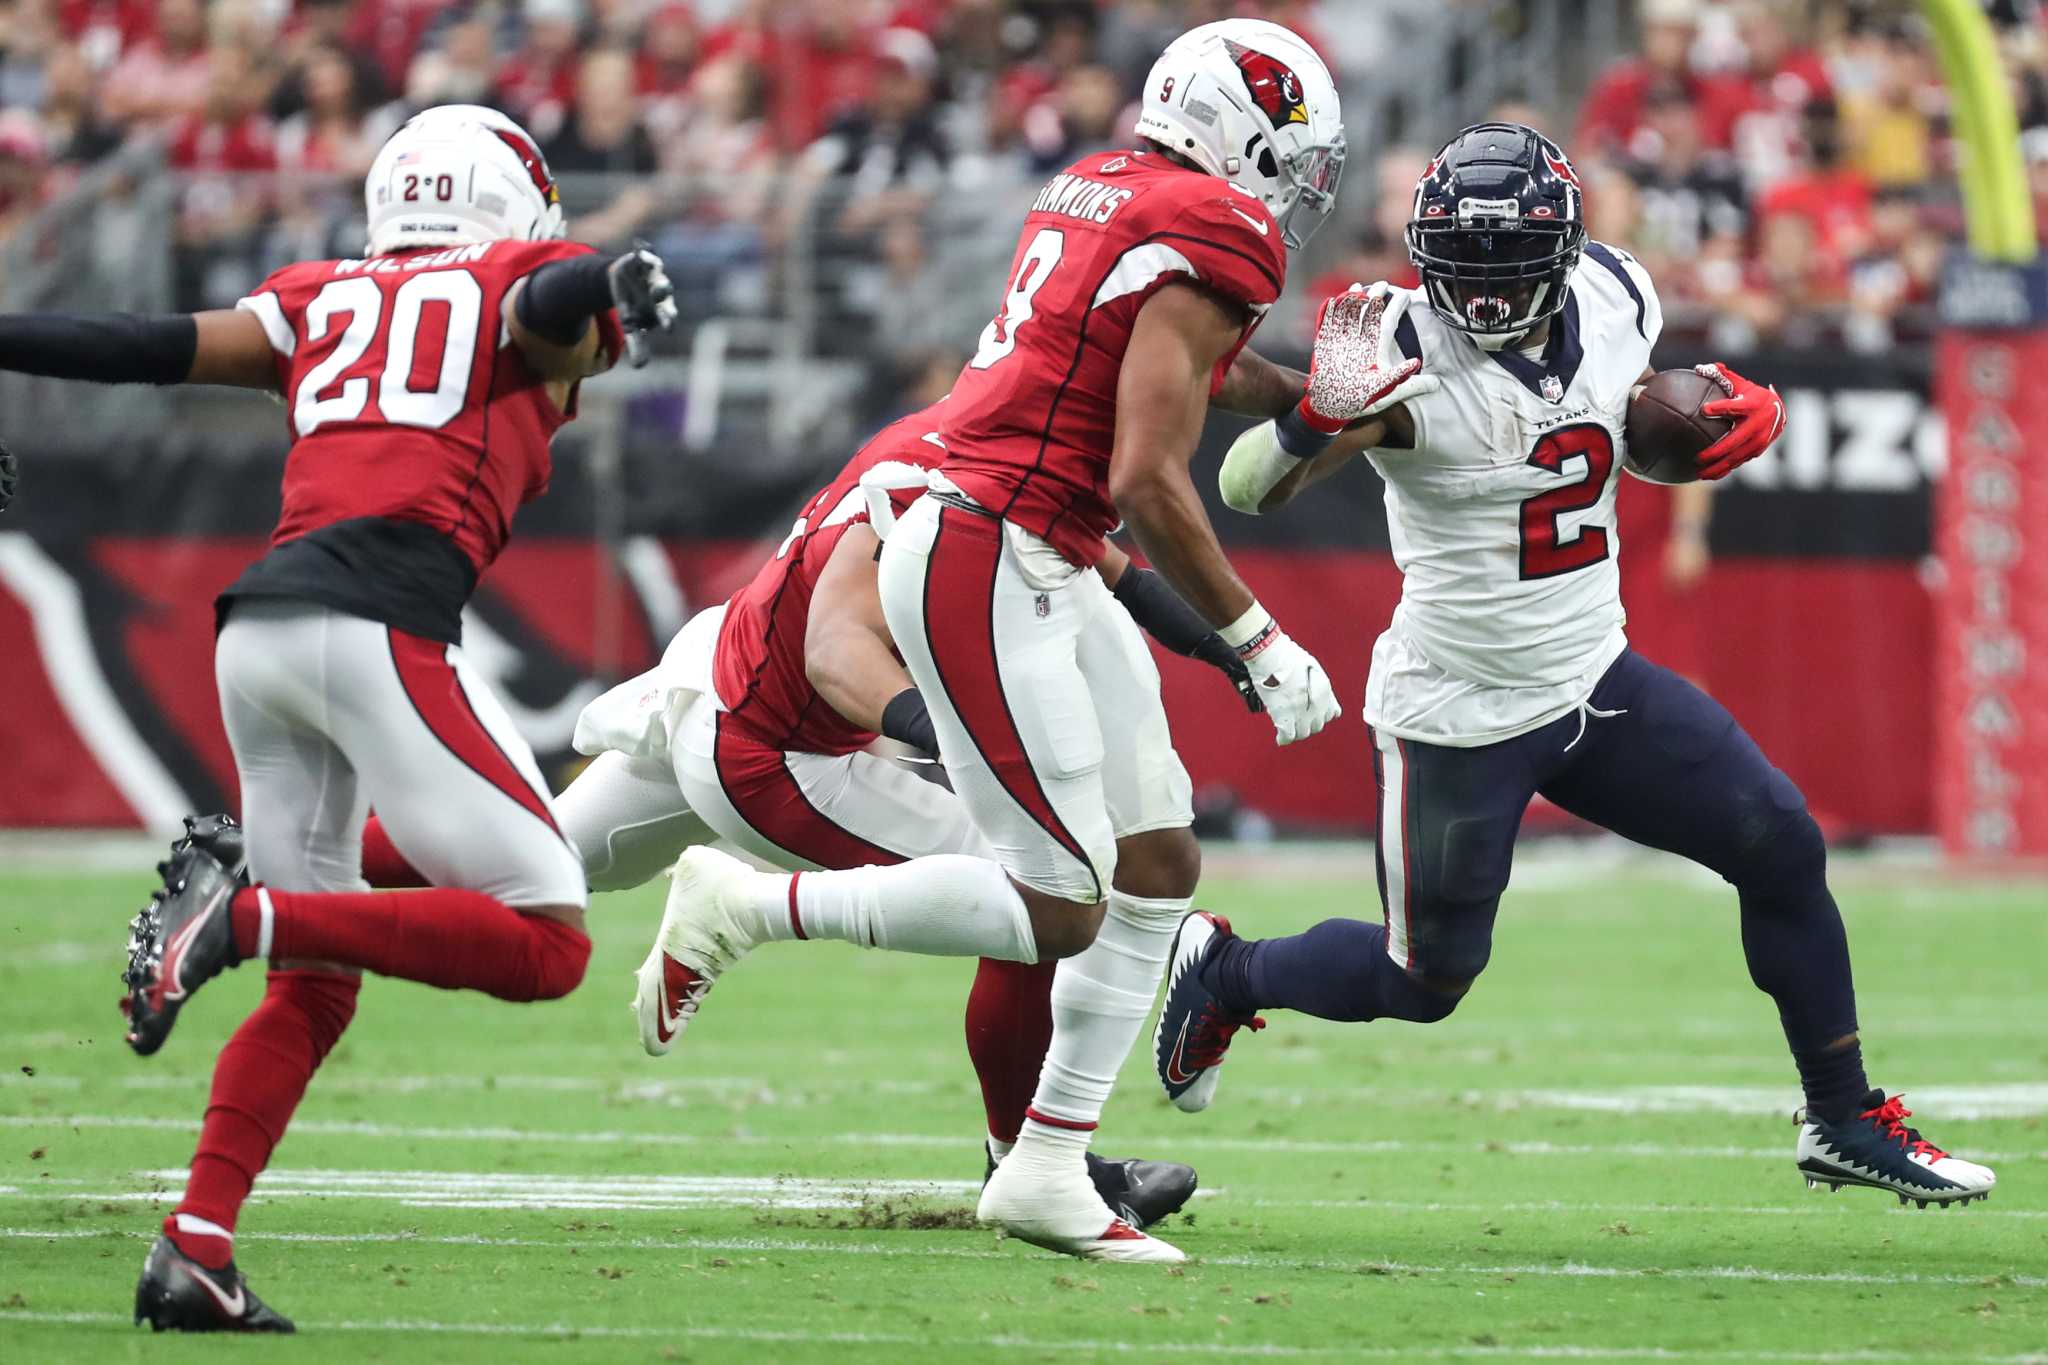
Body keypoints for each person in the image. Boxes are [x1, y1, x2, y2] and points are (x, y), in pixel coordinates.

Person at [643, 18, 1416, 1264]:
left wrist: (1305, 397)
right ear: (1236, 130)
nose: (1296, 181)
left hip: (1032, 545)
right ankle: (748, 906)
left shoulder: (1106, 187)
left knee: (1158, 858)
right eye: (1286, 150)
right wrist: (1256, 638)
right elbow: (1153, 477)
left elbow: (1169, 367)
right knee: (1060, 902)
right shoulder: (1214, 226)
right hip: (992, 549)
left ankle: (1046, 1166)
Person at [1163, 122, 1996, 1211]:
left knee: (1781, 846)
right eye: (1469, 274)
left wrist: (1701, 429)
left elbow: (1619, 425)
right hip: (1456, 709)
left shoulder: (1614, 292)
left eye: (1513, 273)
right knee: (1424, 984)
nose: (1491, 301)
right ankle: (1225, 972)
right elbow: (1241, 490)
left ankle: (1839, 1116)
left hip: (1592, 675)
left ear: (1562, 254)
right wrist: (1319, 413)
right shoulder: (1389, 349)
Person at [0, 104, 675, 1331]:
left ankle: (195, 1249)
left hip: (257, 632)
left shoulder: (319, 296)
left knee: (317, 976)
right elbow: (540, 308)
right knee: (549, 937)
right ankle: (243, 905)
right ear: (510, 201)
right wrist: (604, 272)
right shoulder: (524, 281)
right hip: (380, 621)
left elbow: (144, 344)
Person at [304, 401, 1255, 1233]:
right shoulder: (944, 486)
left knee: (537, 859)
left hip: (717, 672)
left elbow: (1116, 570)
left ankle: (266, 860)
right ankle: (1028, 1163)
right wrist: (956, 738)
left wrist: (1241, 647)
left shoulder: (993, 442)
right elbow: (839, 647)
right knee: (1038, 895)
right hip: (776, 746)